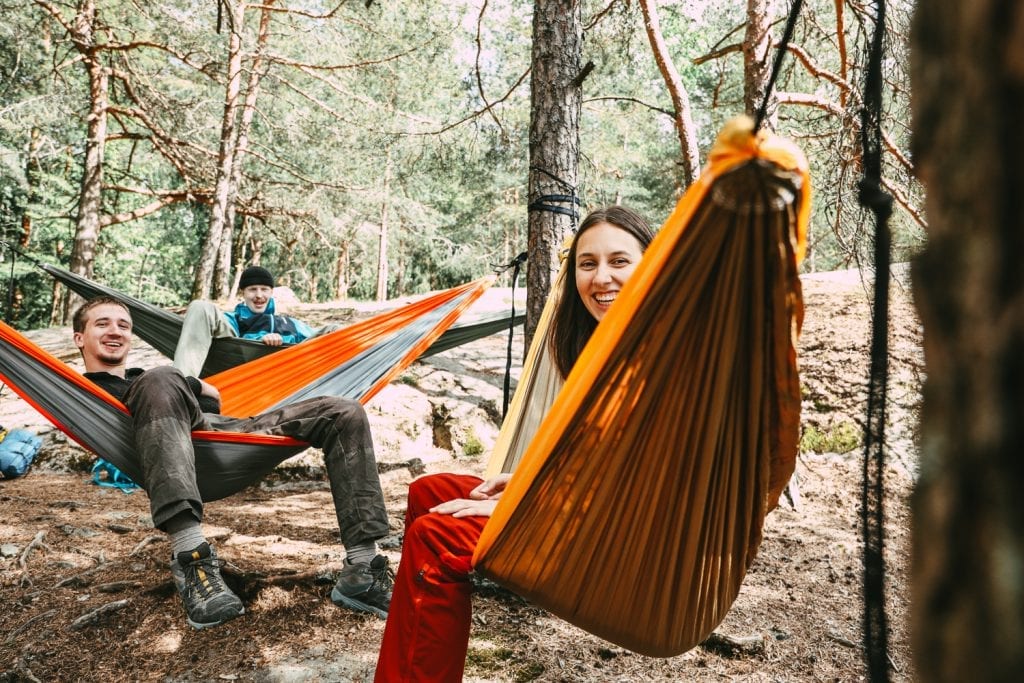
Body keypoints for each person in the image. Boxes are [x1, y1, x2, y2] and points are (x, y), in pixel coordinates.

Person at [374, 206, 656, 682]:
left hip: (622, 538)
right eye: (587, 264)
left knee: (436, 537)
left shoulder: (664, 353)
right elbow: (601, 458)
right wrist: (529, 482)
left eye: (619, 261)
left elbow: (646, 476)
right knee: (430, 493)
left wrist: (530, 507)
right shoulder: (602, 348)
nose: (601, 277)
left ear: (652, 264)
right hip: (584, 509)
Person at [72, 295, 393, 630]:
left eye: (123, 325)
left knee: (344, 411)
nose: (115, 331)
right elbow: (194, 390)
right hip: (171, 444)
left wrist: (193, 391)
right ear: (79, 338)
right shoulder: (85, 393)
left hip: (225, 435)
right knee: (162, 376)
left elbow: (214, 399)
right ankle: (191, 559)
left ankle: (363, 567)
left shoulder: (151, 378)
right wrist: (187, 385)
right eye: (102, 323)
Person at [173, 265, 341, 377]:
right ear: (243, 293)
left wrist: (283, 340)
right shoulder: (232, 320)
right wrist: (258, 341)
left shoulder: (289, 323)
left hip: (286, 371)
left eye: (264, 289)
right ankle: (181, 385)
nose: (259, 295)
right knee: (199, 306)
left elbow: (313, 339)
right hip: (237, 367)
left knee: (336, 329)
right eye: (252, 289)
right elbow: (231, 344)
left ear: (271, 292)